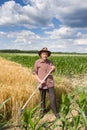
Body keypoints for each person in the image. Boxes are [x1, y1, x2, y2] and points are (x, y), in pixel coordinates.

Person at [33, 47, 60, 118]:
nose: (45, 55)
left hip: (50, 83)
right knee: (42, 98)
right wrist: (39, 80)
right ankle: (42, 111)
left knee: (52, 98)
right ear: (41, 55)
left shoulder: (50, 62)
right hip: (42, 84)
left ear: (47, 55)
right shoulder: (37, 62)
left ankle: (55, 112)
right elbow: (34, 73)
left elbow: (53, 70)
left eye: (46, 54)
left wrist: (53, 68)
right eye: (43, 54)